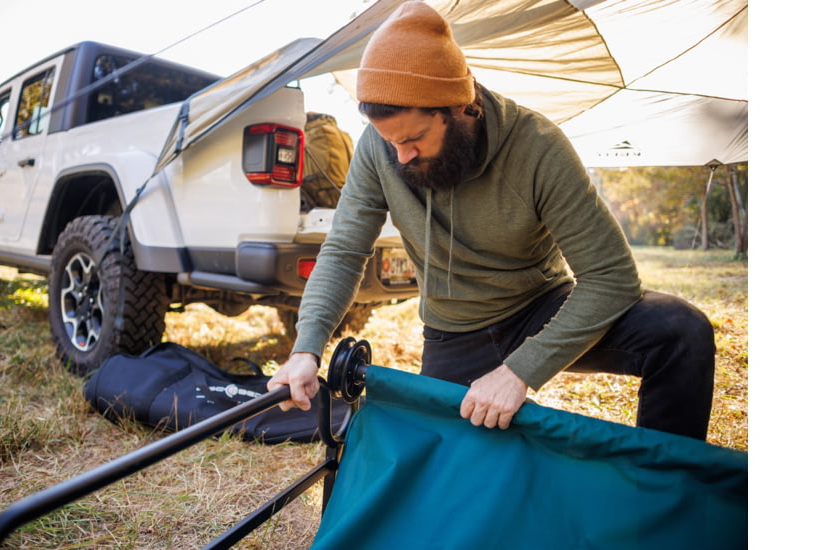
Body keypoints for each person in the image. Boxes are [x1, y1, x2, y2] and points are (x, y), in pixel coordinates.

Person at [267, 1, 715, 440]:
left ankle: (667, 491)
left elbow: (612, 278)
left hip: (538, 306)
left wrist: (520, 371)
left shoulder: (538, 147)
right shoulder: (378, 148)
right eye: (391, 142)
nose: (401, 156)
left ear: (461, 107)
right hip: (453, 329)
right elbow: (345, 251)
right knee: (445, 469)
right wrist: (307, 348)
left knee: (682, 332)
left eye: (415, 138)